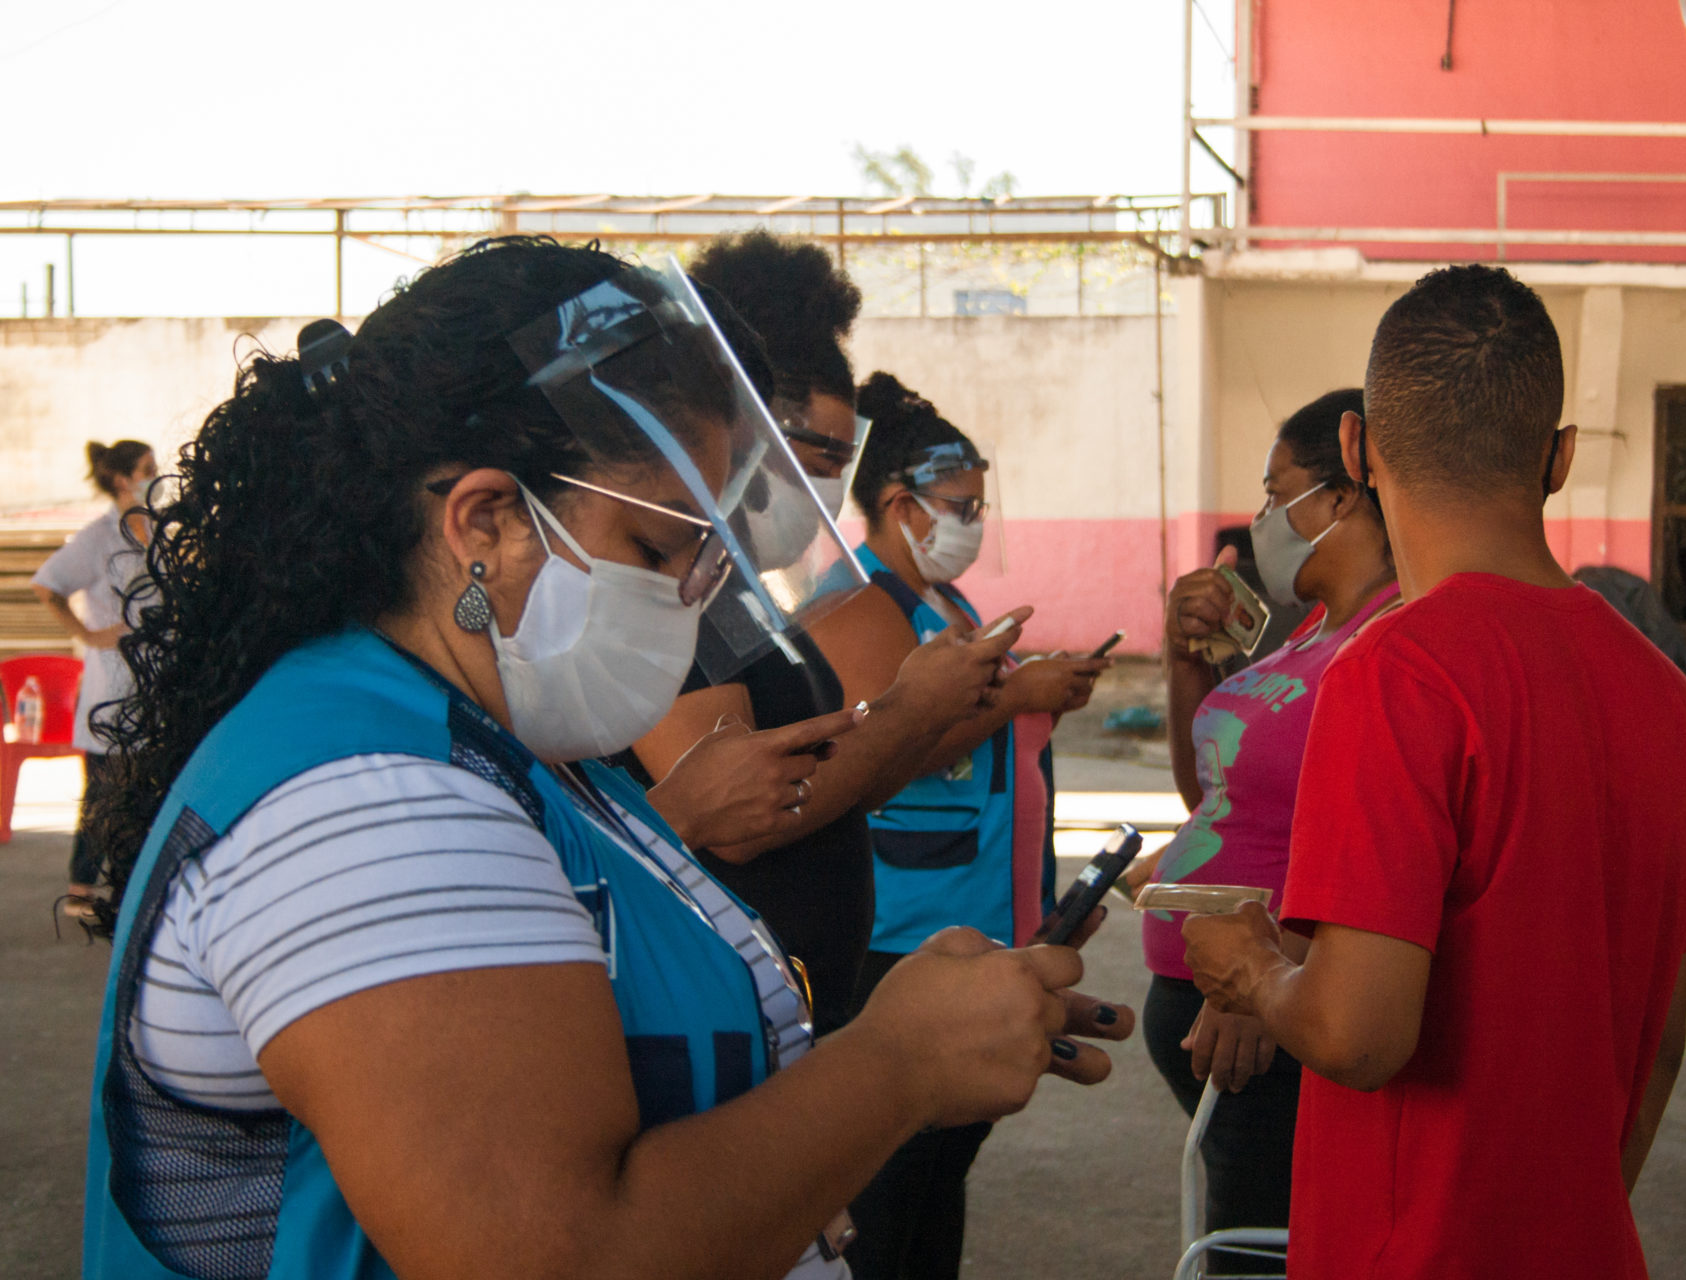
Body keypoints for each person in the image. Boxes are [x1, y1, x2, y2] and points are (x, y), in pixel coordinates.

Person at [80, 238, 1133, 1280]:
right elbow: (559, 1252)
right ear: (486, 520)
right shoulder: (370, 803)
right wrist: (896, 1064)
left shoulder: (503, 747)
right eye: (655, 550)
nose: (685, 598)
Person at [1183, 264, 1686, 1279]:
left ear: (1359, 448)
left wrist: (1252, 965)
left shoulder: (1393, 673)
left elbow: (1359, 1031)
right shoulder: (1674, 706)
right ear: (1558, 458)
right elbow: (1662, 1043)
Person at [619, 231, 1007, 1036]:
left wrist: (921, 713)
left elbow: (837, 783)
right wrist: (912, 709)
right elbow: (736, 804)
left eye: (842, 454)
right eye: (818, 453)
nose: (829, 481)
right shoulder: (680, 581)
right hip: (731, 1004)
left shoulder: (743, 587)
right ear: (746, 432)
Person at [809, 371, 1112, 1280]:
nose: (972, 524)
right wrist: (1015, 692)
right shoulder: (860, 605)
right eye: (959, 506)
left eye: (980, 505)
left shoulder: (951, 607)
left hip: (975, 915)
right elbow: (879, 743)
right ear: (899, 505)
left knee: (939, 1185)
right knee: (889, 1192)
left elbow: (979, 750)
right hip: (899, 936)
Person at [1134, 388, 1398, 1270]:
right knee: (1241, 1239)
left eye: (1275, 491)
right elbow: (1210, 798)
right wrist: (1183, 661)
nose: (1260, 520)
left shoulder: (1391, 637)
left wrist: (1272, 971)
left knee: (1260, 1252)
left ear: (1340, 496)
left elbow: (1380, 840)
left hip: (1268, 1012)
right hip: (1222, 996)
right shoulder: (1305, 635)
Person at [31, 438, 156, 915]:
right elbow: (46, 586)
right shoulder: (98, 538)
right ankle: (81, 889)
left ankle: (135, 888)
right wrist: (89, 634)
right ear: (122, 479)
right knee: (106, 794)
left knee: (148, 791)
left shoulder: (160, 531)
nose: (155, 475)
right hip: (113, 686)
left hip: (157, 686)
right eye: (147, 468)